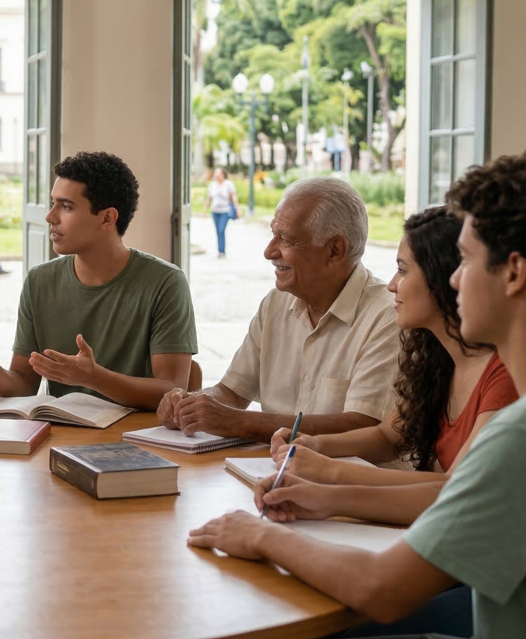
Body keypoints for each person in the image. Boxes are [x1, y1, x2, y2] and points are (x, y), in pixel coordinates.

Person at [188, 152, 526, 639]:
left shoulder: (513, 435)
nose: (455, 279)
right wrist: (324, 490)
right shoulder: (455, 378)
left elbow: (381, 588)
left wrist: (260, 534)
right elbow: (394, 439)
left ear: (514, 272)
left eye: (468, 261)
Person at [262, 207, 517, 527]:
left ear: (443, 278)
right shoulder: (438, 359)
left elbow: (455, 491)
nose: (392, 285)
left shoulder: (502, 376)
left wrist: (327, 477)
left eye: (403, 271)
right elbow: (389, 436)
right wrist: (315, 446)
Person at [0, 151, 197, 410]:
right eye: (53, 203)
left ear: (107, 218)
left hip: (136, 441)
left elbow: (171, 390)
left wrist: (94, 377)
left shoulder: (165, 282)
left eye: (65, 206)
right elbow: (24, 385)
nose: (50, 217)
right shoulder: (39, 281)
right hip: (63, 438)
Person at [158, 176, 399, 442]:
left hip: (352, 480)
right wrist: (191, 405)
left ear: (335, 250)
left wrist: (237, 421)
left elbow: (363, 428)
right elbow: (233, 393)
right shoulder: (276, 303)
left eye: (286, 239)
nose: (269, 251)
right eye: (273, 234)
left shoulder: (387, 318)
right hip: (273, 472)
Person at [204, 168, 239, 258]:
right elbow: (209, 198)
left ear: (223, 175)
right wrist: (205, 209)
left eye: (218, 173)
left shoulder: (228, 184)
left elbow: (233, 197)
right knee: (218, 231)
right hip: (215, 211)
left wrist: (237, 209)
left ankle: (222, 251)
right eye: (215, 173)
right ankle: (220, 251)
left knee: (221, 230)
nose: (216, 175)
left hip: (225, 211)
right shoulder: (212, 185)